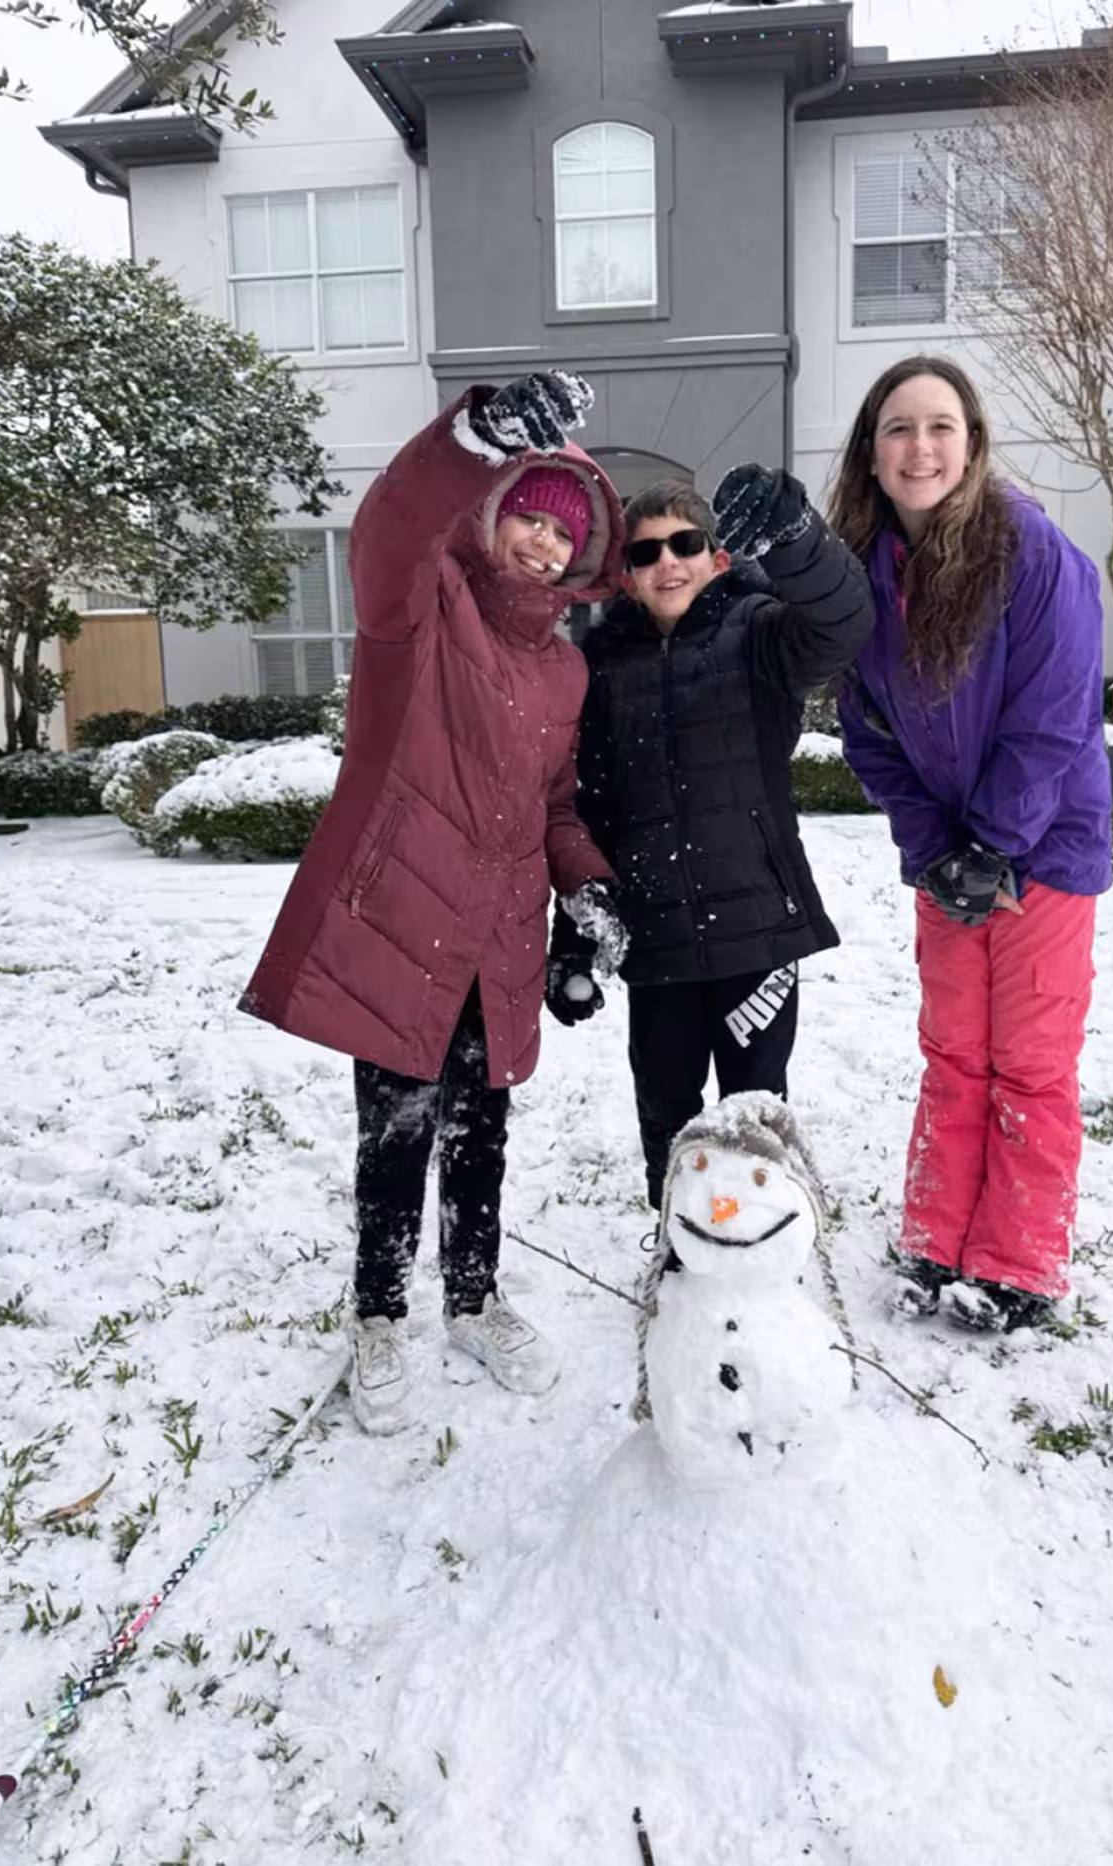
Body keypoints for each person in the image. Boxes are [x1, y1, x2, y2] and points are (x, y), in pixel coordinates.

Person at [240, 372, 627, 1432]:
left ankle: (472, 1297)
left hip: (497, 941)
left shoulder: (562, 673)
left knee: (480, 1132)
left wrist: (586, 886)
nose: (545, 545)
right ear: (492, 516)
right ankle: (377, 1313)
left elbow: (554, 806)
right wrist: (471, 438)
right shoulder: (424, 608)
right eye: (529, 518)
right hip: (405, 927)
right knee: (396, 1131)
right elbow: (386, 531)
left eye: (566, 532)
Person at [829, 356, 1112, 1333]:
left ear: (972, 442)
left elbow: (1053, 714)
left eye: (939, 426)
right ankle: (935, 1238)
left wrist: (990, 844)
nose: (920, 447)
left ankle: (1018, 1262)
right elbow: (864, 730)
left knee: (1027, 1058)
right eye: (899, 428)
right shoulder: (861, 577)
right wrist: (931, 847)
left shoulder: (1029, 552)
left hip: (1040, 848)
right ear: (871, 453)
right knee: (953, 1051)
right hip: (948, 854)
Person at [546, 467, 873, 1210]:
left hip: (756, 932)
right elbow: (586, 808)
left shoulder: (760, 633)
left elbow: (844, 622)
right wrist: (574, 939)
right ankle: (682, 1245)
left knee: (755, 1112)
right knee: (665, 1109)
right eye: (645, 553)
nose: (667, 562)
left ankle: (764, 1247)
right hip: (654, 940)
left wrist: (798, 538)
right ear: (625, 577)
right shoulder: (596, 670)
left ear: (716, 559)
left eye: (685, 544)